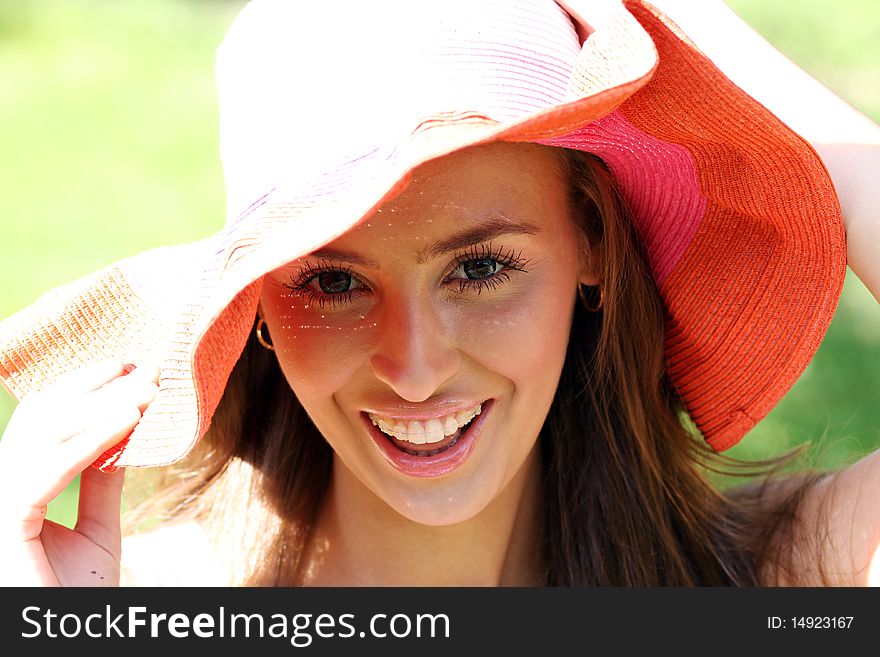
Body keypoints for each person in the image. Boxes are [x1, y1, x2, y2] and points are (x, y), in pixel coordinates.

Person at [0, 0, 878, 587]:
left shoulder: (778, 571)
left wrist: (667, 21)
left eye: (481, 268)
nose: (414, 370)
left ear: (594, 247)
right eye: (334, 281)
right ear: (255, 301)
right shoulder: (133, 598)